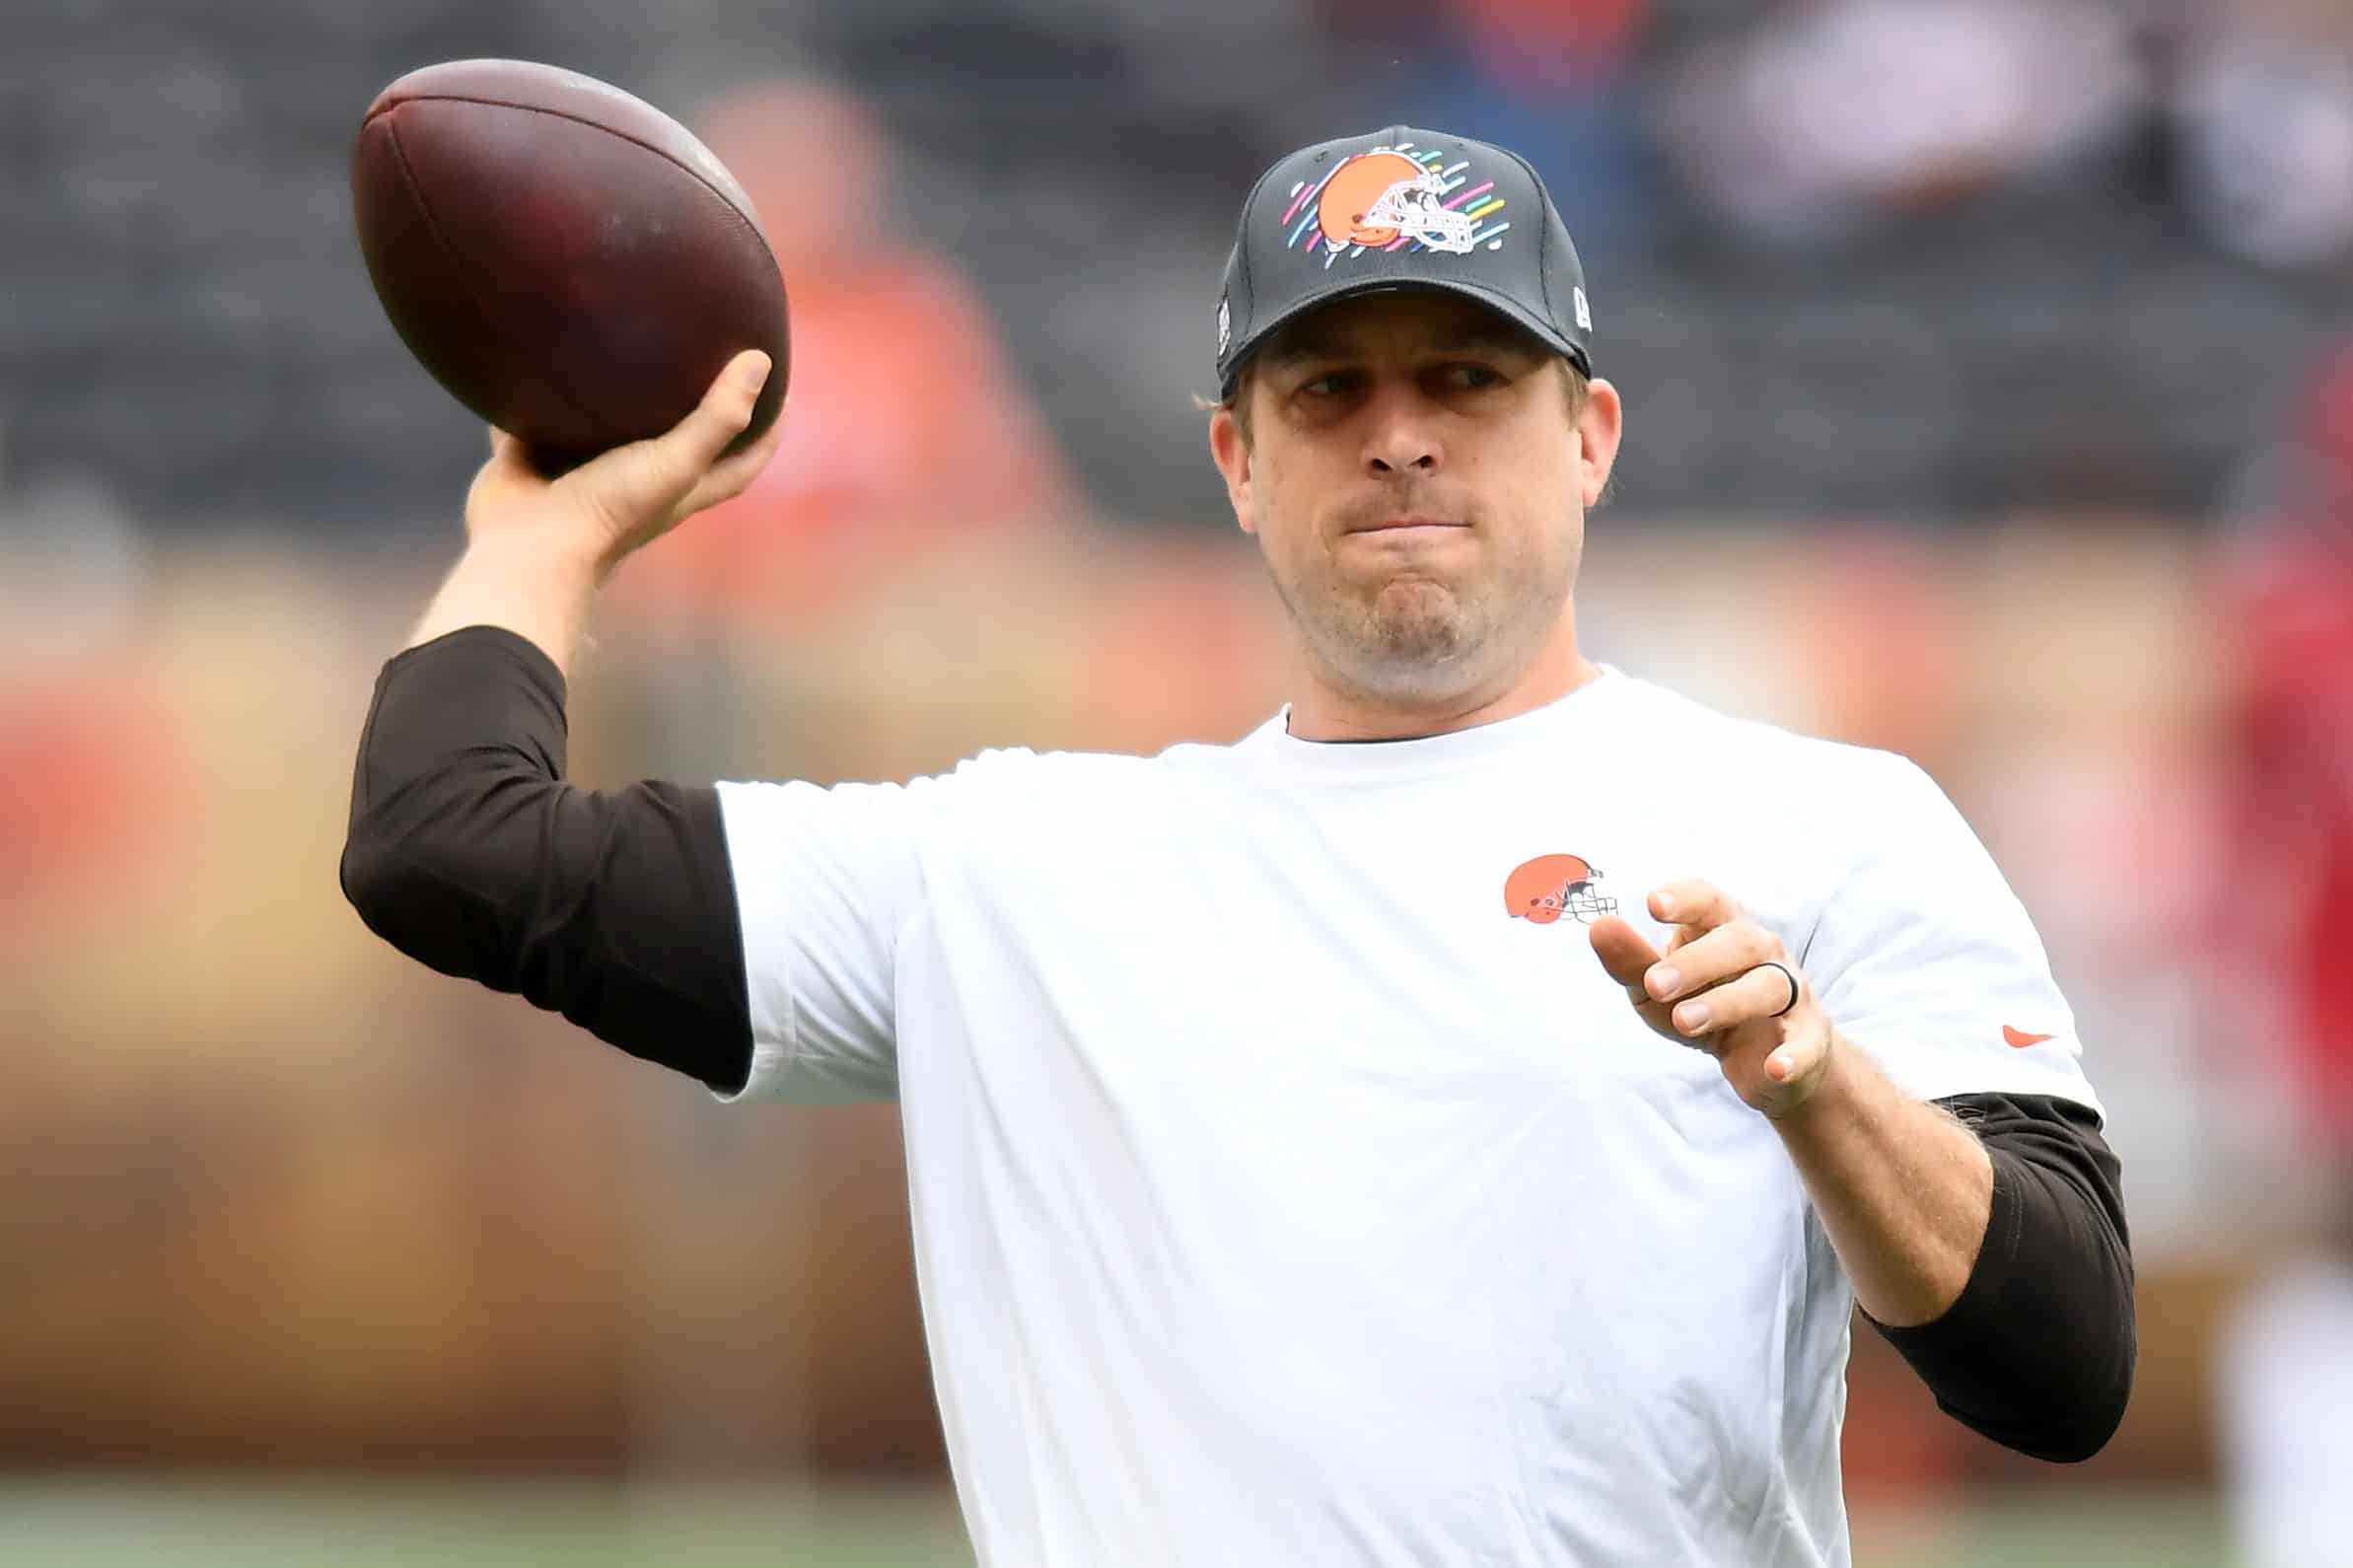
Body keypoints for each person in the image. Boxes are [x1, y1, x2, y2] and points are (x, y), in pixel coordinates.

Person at [342, 127, 2134, 1566]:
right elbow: (448, 847)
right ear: (1236, 461)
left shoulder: (1826, 824)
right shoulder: (1016, 870)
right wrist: (551, 528)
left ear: (1586, 434)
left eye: (1465, 372)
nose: (1401, 436)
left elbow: (2061, 1365)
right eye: (1325, 392)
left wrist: (1817, 1086)